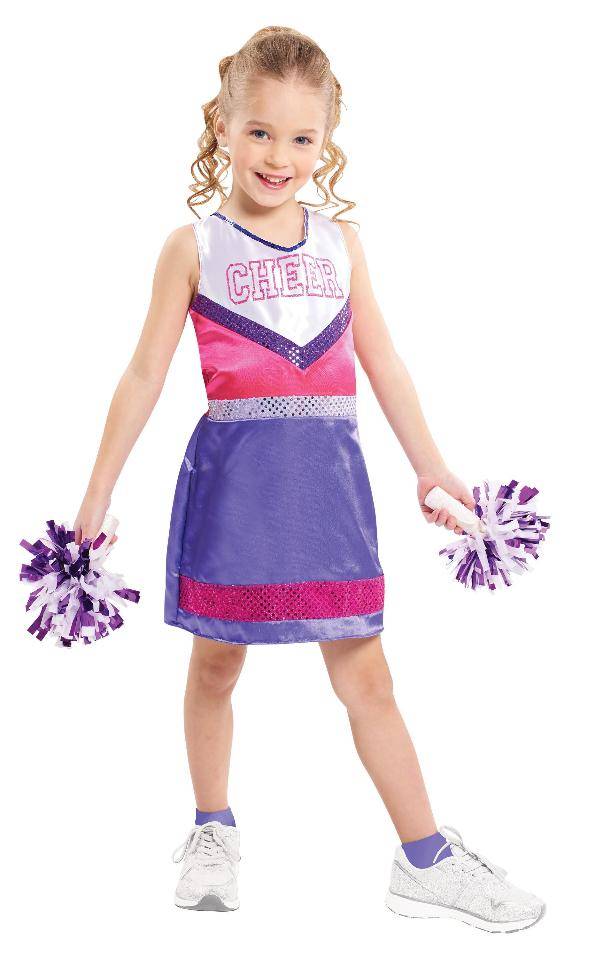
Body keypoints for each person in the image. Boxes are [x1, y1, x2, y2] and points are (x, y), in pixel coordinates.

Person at [73, 26, 545, 932]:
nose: (277, 156)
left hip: (329, 495)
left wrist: (430, 465)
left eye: (300, 137)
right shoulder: (193, 246)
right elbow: (142, 376)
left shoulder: (341, 244)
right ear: (221, 125)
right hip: (234, 492)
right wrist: (97, 496)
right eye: (258, 131)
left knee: (367, 675)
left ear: (326, 141)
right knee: (216, 663)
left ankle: (425, 860)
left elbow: (384, 362)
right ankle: (212, 832)